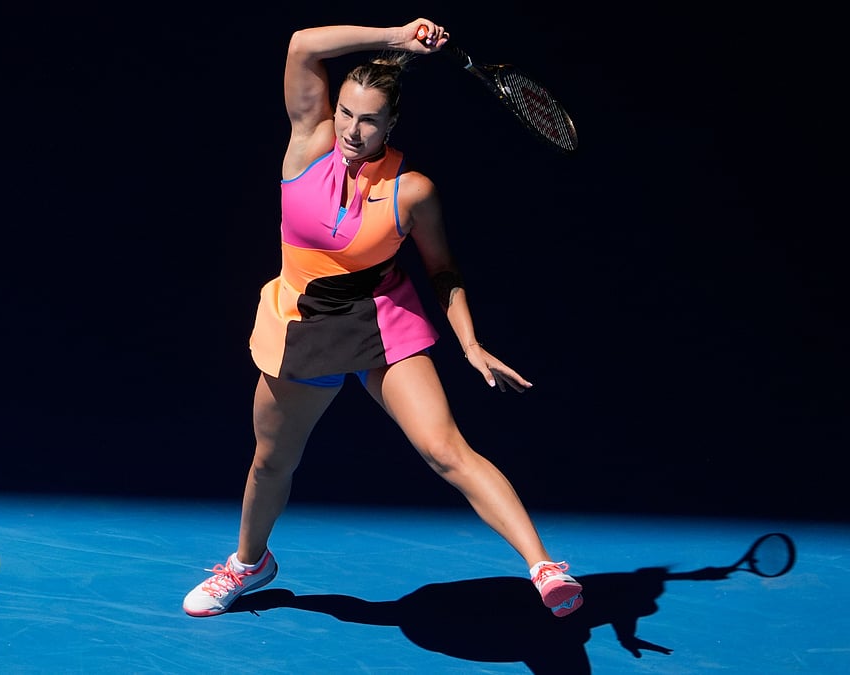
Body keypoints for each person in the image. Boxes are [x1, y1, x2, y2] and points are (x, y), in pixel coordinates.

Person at [182, 18, 584, 619]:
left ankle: (544, 567)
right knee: (271, 462)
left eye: (369, 120)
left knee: (446, 449)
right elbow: (301, 45)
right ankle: (249, 564)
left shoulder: (412, 190)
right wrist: (397, 35)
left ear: (392, 124)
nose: (352, 128)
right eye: (345, 112)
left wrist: (470, 343)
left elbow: (443, 271)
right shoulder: (307, 143)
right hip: (300, 325)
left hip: (381, 321)